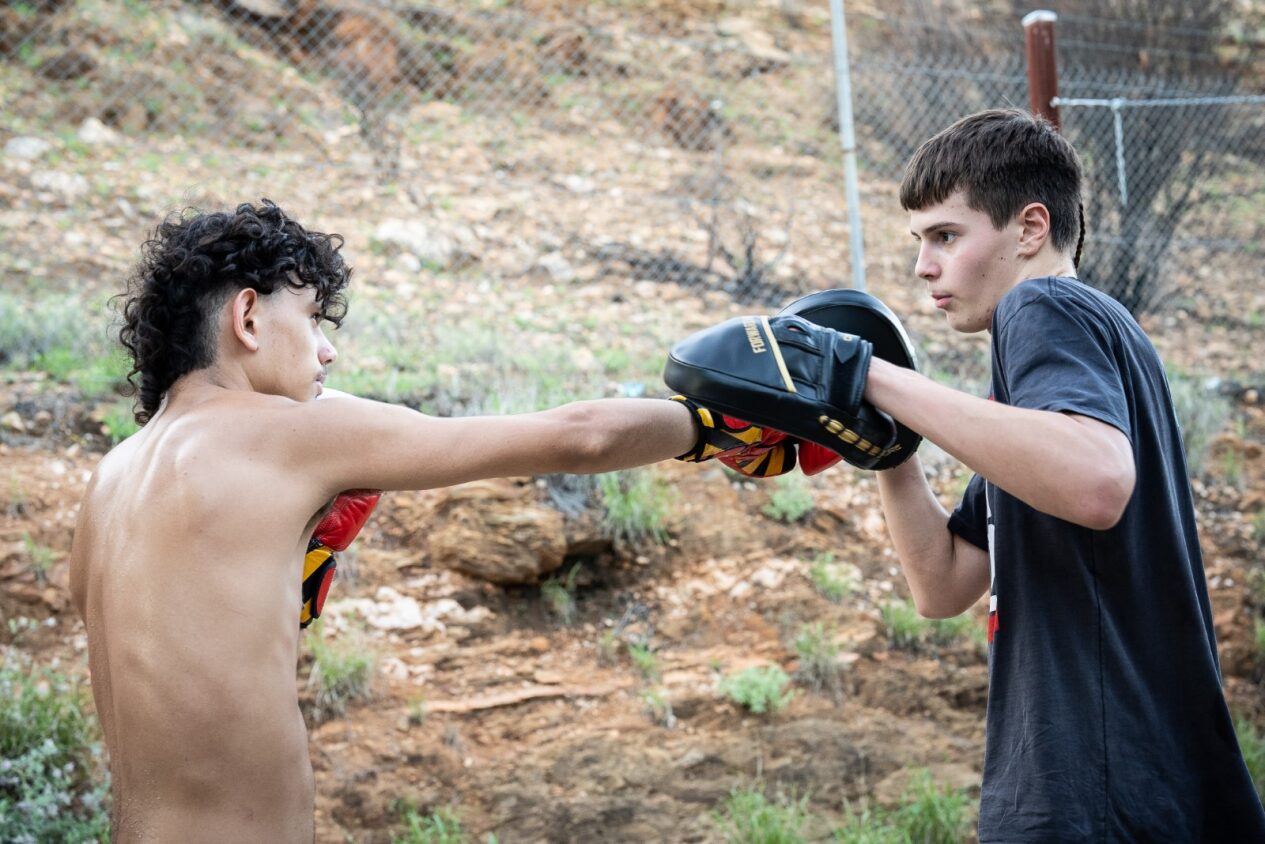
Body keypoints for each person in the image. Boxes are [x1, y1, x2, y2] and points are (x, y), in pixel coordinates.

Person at [67, 199, 789, 841]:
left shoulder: (109, 485)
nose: (327, 350)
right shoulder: (286, 434)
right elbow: (581, 435)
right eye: (312, 317)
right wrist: (722, 426)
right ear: (248, 317)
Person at [857, 109, 1265, 840]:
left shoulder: (1043, 306)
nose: (923, 266)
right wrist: (889, 448)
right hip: (1126, 786)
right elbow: (943, 583)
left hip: (1094, 791)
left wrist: (871, 379)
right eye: (919, 242)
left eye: (945, 235)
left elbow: (1095, 483)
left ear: (1029, 228)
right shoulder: (1056, 381)